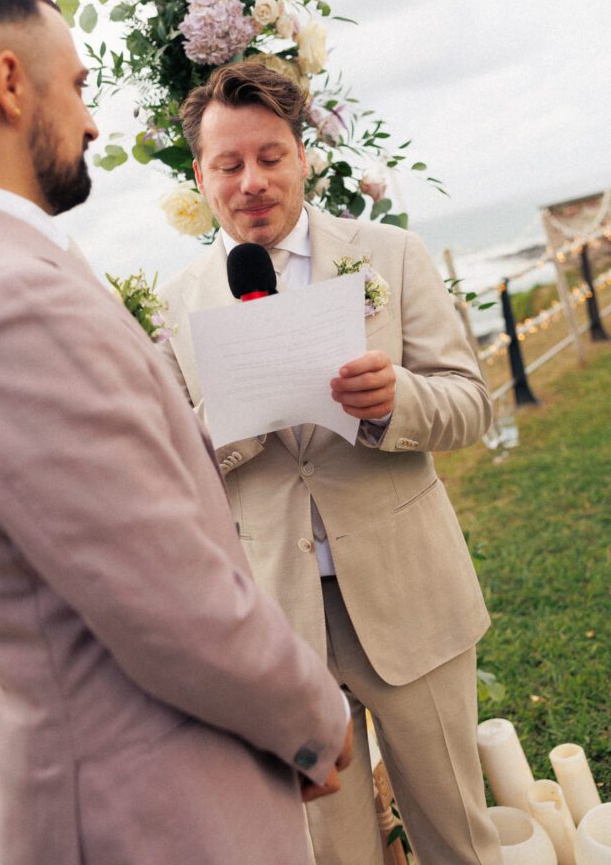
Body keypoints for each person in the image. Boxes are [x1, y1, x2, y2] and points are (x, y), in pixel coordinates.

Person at [0, 0, 353, 865]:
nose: (93, 121)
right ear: (12, 84)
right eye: (80, 86)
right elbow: (164, 593)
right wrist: (311, 716)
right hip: (151, 813)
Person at [159, 61, 503, 865]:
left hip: (410, 594)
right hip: (279, 630)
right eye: (228, 164)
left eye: (271, 156)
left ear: (304, 155)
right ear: (201, 175)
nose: (252, 181)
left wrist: (394, 402)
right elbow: (173, 480)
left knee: (460, 837)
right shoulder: (175, 305)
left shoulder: (391, 253)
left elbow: (471, 404)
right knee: (330, 856)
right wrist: (230, 427)